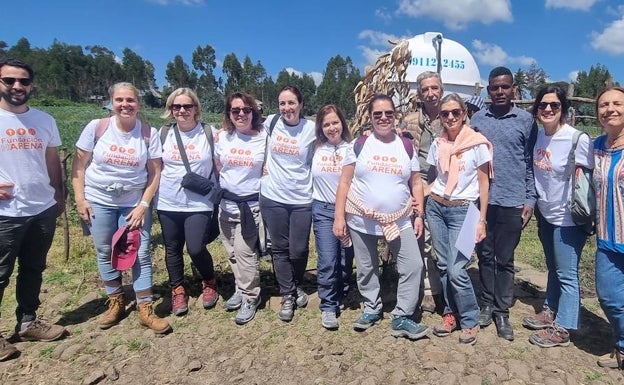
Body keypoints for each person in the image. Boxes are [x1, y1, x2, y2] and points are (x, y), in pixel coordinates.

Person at [72, 82, 171, 334]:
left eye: (130, 100)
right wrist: (80, 199)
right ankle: (115, 300)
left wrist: (144, 204)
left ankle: (145, 307)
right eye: (119, 100)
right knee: (105, 250)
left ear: (138, 103)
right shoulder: (97, 128)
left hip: (133, 204)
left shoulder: (147, 133)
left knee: (141, 253)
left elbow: (155, 172)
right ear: (111, 102)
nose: (125, 105)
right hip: (99, 200)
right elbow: (79, 166)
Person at [333, 94, 429, 340]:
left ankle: (402, 316)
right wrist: (339, 217)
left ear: (395, 114)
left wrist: (419, 215)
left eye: (388, 113)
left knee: (413, 265)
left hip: (399, 219)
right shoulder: (359, 145)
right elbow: (344, 182)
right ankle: (371, 308)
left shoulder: (406, 146)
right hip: (361, 219)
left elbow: (416, 182)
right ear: (371, 117)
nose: (383, 118)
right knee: (366, 267)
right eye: (378, 114)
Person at [0, 58, 66, 361]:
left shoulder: (44, 120)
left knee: (33, 268)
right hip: (5, 212)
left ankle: (27, 322)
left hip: (42, 207)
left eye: (23, 81)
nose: (17, 86)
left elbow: (52, 160)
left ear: (31, 85)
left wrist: (59, 197)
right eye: (9, 80)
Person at [521, 86, 593, 348]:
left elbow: (589, 180)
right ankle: (550, 309)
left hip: (569, 219)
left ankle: (563, 327)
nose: (548, 109)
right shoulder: (539, 137)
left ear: (563, 108)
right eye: (543, 105)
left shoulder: (576, 139)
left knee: (567, 274)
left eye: (554, 105)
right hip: (546, 214)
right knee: (553, 267)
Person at [471, 66, 537, 341]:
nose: (500, 92)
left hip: (512, 201)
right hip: (481, 202)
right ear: (488, 90)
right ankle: (486, 304)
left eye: (505, 87)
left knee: (505, 259)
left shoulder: (525, 121)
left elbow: (530, 162)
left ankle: (502, 311)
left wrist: (530, 199)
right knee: (484, 255)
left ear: (513, 90)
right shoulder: (477, 119)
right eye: (495, 87)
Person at [426, 93, 492, 345]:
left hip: (465, 211)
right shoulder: (438, 143)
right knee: (443, 265)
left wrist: (482, 219)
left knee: (457, 269)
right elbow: (435, 179)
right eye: (445, 114)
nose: (450, 117)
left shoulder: (478, 145)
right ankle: (449, 313)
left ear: (465, 113)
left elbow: (485, 185)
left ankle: (470, 319)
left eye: (455, 112)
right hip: (437, 207)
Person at [155, 88, 219, 316]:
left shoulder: (210, 133)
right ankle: (177, 288)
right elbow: (154, 167)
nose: (182, 111)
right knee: (172, 248)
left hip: (199, 202)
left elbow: (222, 161)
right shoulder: (162, 134)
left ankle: (209, 280)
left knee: (195, 246)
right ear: (170, 110)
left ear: (196, 109)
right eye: (176, 107)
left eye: (187, 106)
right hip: (168, 201)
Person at [259, 85, 316, 322]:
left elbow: (336, 136)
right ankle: (288, 294)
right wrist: (223, 132)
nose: (286, 108)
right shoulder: (271, 122)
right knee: (279, 248)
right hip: (272, 196)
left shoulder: (311, 128)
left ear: (301, 105)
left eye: (291, 103)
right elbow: (245, 129)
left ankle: (295, 283)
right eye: (282, 103)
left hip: (302, 196)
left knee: (299, 249)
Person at [214, 92, 265, 325]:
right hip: (226, 207)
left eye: (246, 110)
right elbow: (218, 166)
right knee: (232, 253)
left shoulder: (264, 137)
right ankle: (239, 287)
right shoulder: (223, 137)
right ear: (229, 114)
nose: (241, 114)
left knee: (246, 254)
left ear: (253, 111)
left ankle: (251, 296)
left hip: (250, 207)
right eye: (236, 111)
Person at [402, 71, 444, 314]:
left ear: (441, 89)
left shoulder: (453, 115)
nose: (430, 93)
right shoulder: (409, 121)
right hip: (418, 185)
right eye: (425, 89)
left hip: (447, 185)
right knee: (421, 238)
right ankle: (427, 290)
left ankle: (449, 290)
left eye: (434, 88)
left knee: (442, 240)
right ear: (419, 93)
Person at [311, 104, 354, 330]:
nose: (331, 128)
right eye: (326, 124)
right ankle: (328, 305)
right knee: (328, 259)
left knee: (346, 260)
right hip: (323, 210)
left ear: (342, 123)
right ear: (321, 127)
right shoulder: (316, 149)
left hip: (350, 211)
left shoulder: (353, 148)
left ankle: (341, 293)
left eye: (335, 122)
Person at [592, 86, 624, 369]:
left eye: (617, 103)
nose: (610, 109)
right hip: (607, 237)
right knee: (610, 296)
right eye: (604, 105)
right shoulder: (596, 147)